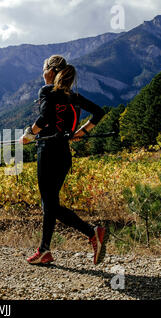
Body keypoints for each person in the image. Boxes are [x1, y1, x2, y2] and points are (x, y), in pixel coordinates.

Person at [20, 55, 108, 265]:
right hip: (64, 154)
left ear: (50, 72)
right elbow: (98, 112)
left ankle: (92, 232)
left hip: (48, 151)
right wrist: (82, 132)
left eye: (43, 70)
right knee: (50, 204)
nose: (42, 74)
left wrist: (29, 135)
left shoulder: (47, 91)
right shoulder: (72, 95)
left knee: (49, 205)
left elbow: (45, 118)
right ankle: (44, 251)